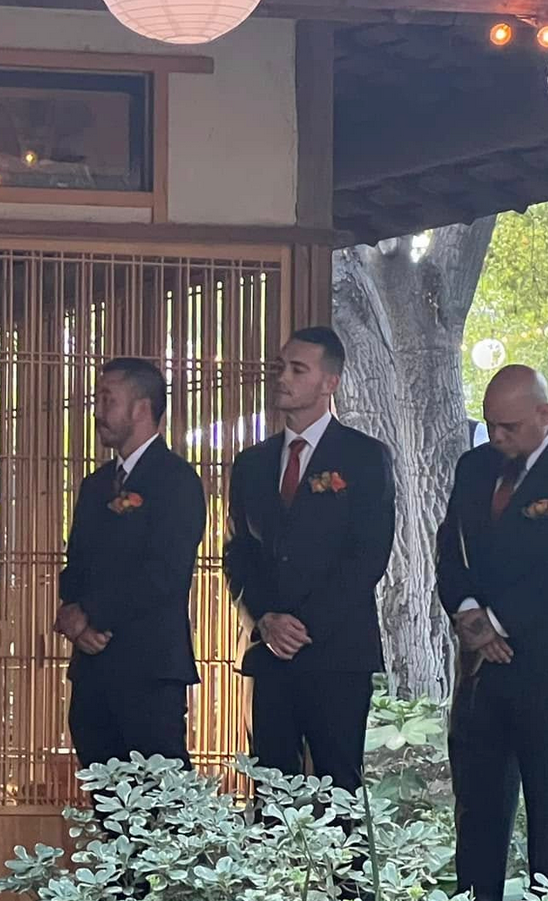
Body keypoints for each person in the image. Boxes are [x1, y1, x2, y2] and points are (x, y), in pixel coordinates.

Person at [224, 327, 395, 794]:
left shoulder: (364, 456)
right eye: (281, 367)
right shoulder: (253, 463)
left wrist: (301, 625)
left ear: (329, 382)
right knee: (270, 789)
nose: (282, 378)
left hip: (336, 651)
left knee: (338, 790)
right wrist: (264, 618)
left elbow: (368, 554)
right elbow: (238, 552)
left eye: (298, 369)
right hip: (268, 651)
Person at [437, 364, 548, 900]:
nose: (496, 436)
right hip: (480, 674)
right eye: (490, 424)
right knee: (477, 817)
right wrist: (469, 613)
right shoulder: (474, 466)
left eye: (509, 426)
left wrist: (498, 621)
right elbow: (450, 548)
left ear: (544, 413)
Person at [54, 358, 205, 769]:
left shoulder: (175, 481)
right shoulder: (96, 485)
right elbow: (76, 564)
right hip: (93, 668)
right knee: (102, 789)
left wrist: (93, 614)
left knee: (159, 793)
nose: (98, 411)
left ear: (141, 408)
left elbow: (164, 574)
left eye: (108, 399)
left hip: (149, 667)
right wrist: (73, 616)